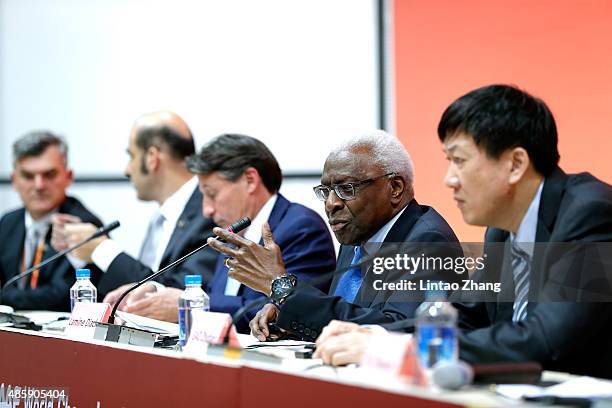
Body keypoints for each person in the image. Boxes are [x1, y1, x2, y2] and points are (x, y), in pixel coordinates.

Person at [314, 85, 612, 379]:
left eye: (459, 160)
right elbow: (463, 315)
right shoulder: (500, 230)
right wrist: (372, 335)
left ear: (516, 163)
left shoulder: (591, 212)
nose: (449, 179)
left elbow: (543, 338)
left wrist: (392, 348)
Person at [209, 131, 463, 342]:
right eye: (326, 191)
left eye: (346, 188)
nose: (331, 203)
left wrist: (282, 287)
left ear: (395, 188)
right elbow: (348, 316)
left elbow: (397, 331)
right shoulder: (357, 235)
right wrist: (290, 320)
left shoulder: (427, 241)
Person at [109, 133, 337, 332]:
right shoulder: (234, 231)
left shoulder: (301, 228)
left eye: (212, 194)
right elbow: (216, 296)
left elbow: (285, 311)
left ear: (250, 180)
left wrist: (196, 307)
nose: (206, 210)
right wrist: (154, 291)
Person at [52, 112, 218, 309]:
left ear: (152, 158)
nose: (126, 170)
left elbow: (176, 295)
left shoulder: (209, 212)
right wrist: (83, 250)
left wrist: (101, 249)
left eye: (131, 156)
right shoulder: (163, 215)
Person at [0, 131, 103, 311]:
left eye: (49, 174)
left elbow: (63, 296)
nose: (39, 185)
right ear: (14, 180)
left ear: (68, 176)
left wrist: (5, 297)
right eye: (28, 176)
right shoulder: (8, 222)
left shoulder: (82, 225)